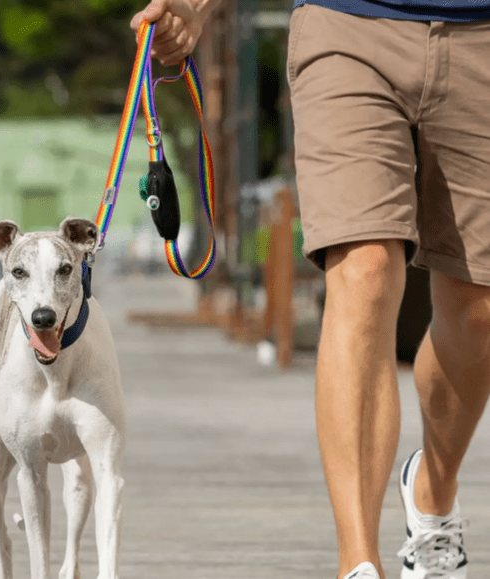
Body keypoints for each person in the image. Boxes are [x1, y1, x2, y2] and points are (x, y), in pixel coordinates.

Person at [131, 0, 490, 577]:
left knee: (479, 310)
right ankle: (358, 561)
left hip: (481, 34)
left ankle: (433, 493)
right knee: (364, 269)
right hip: (346, 22)